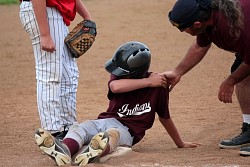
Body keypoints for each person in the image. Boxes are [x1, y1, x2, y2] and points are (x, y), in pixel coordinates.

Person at [34, 41, 201, 166]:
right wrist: (149, 82)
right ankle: (64, 151)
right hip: (105, 120)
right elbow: (115, 87)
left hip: (128, 131)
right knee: (79, 128)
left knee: (112, 136)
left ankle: (89, 153)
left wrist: (180, 143)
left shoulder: (158, 88)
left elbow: (165, 117)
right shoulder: (122, 78)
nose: (116, 73)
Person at [165, 0, 250, 156]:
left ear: (197, 23)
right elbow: (200, 46)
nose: (183, 32)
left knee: (239, 75)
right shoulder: (207, 20)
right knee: (241, 75)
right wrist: (177, 72)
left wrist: (229, 82)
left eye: (184, 29)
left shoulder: (231, 24)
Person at [19, 0, 92, 140]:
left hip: (56, 13)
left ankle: (67, 127)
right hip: (44, 11)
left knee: (69, 74)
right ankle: (52, 131)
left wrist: (87, 17)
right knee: (50, 73)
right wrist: (45, 34)